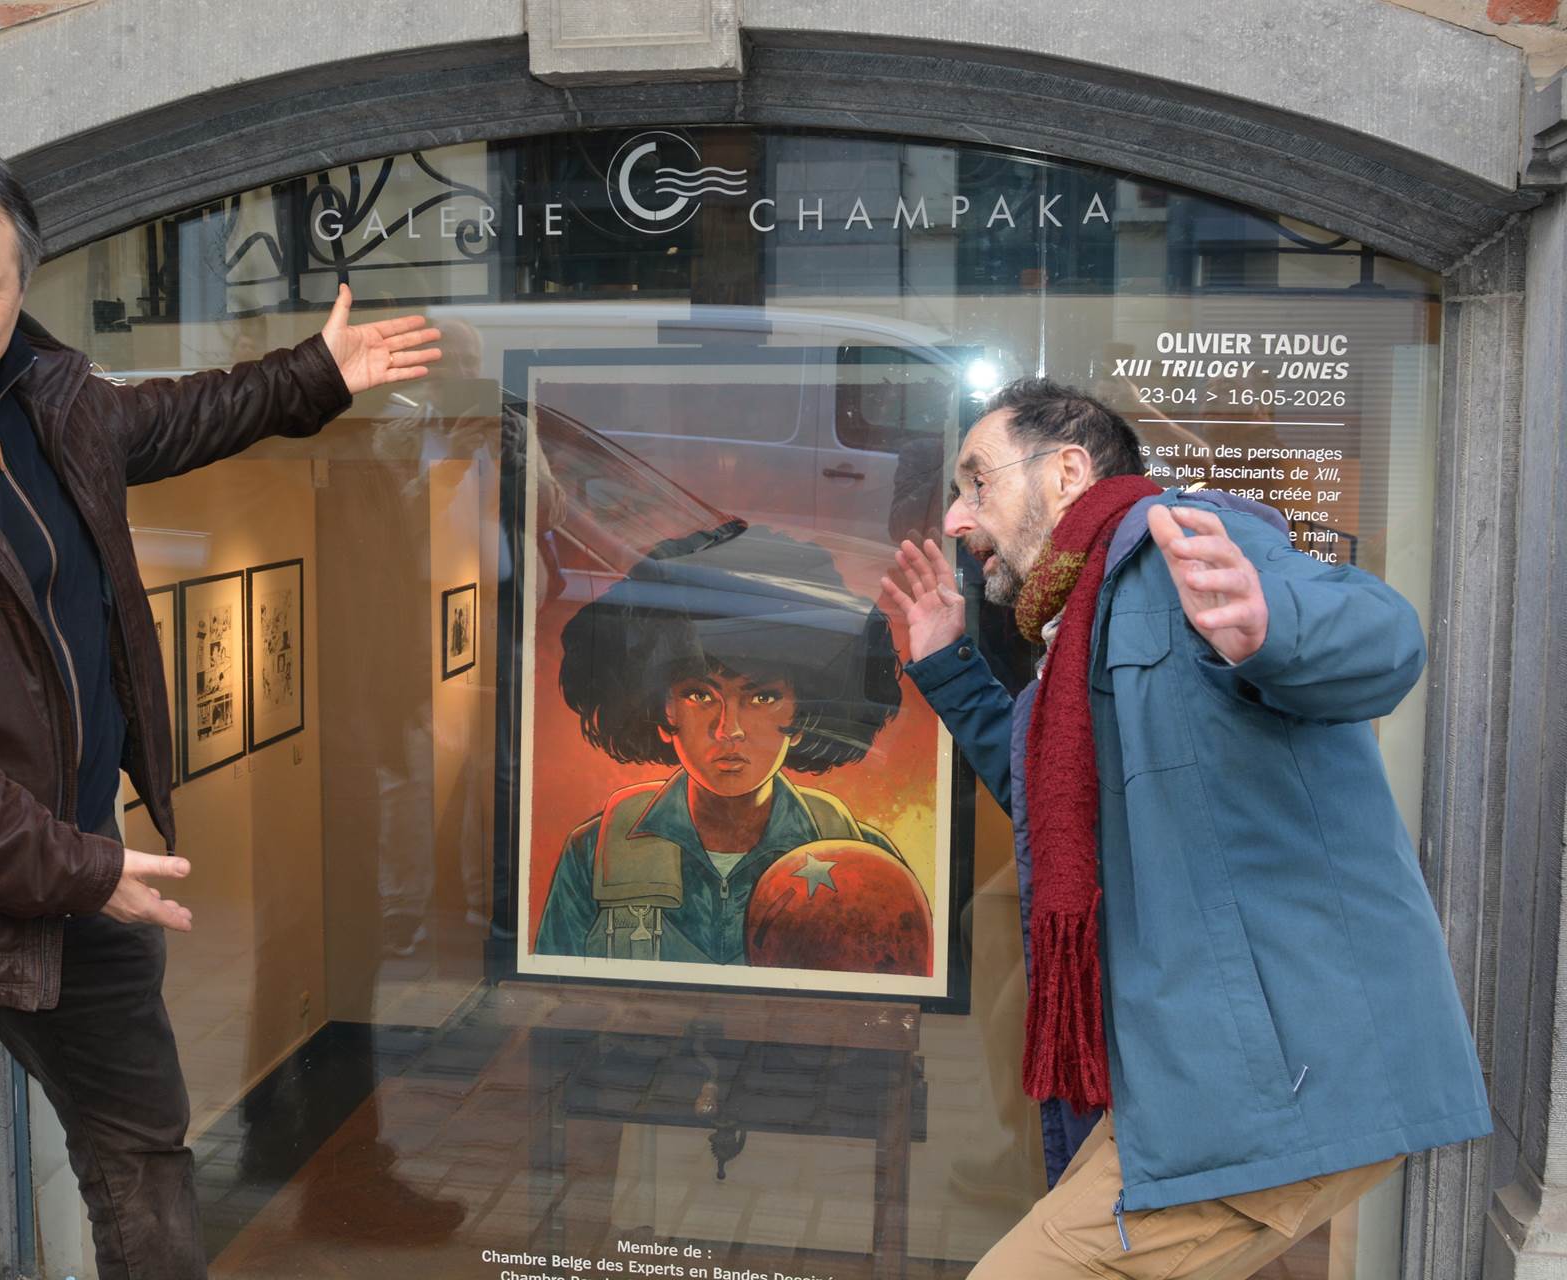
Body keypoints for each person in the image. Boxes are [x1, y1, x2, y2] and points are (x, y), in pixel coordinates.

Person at [0, 138, 441, 1279]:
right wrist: (83, 870)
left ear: (22, 287)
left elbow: (169, 419)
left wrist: (315, 373)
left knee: (143, 1162)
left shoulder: (43, 398)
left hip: (74, 872)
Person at [879, 378, 1489, 1276]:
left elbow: (1385, 636)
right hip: (1198, 1081)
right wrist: (947, 665)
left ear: (1066, 473)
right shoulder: (1079, 629)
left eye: (978, 481)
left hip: (1270, 1081)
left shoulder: (1178, 547)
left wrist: (1271, 625)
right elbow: (1052, 808)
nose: (958, 517)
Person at [534, 527, 923, 965]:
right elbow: (551, 989)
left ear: (805, 714)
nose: (728, 730)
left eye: (762, 698)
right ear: (663, 709)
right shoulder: (595, 852)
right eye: (699, 695)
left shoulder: (863, 858)